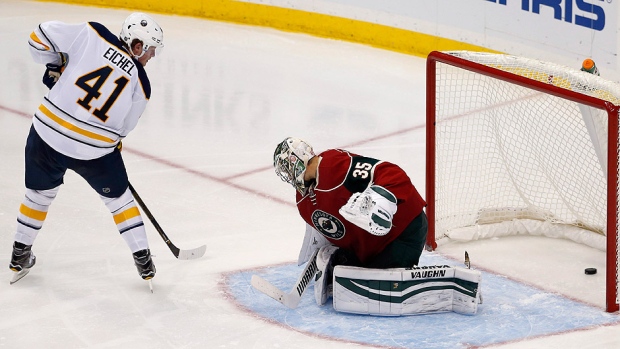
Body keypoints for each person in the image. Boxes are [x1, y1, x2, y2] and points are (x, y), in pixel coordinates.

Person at [9, 13, 164, 286]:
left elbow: (38, 38)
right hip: (93, 150)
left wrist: (56, 65)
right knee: (119, 200)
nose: (150, 57)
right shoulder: (142, 83)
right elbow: (123, 130)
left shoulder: (93, 33)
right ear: (137, 45)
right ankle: (144, 261)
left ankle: (19, 255)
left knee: (38, 195)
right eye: (150, 51)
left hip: (47, 132)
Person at [273, 138, 482, 316]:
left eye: (286, 167)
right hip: (370, 246)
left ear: (296, 159)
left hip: (402, 231)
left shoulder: (334, 166)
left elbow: (390, 172)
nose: (286, 175)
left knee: (380, 286)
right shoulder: (303, 200)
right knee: (347, 278)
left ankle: (443, 285)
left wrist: (381, 198)